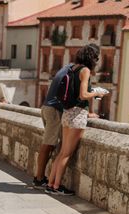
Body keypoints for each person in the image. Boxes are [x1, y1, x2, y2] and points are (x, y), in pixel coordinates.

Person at [46, 44, 107, 195]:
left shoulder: (73, 68)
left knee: (61, 152)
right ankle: (57, 186)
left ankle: (50, 183)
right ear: (91, 58)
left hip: (67, 113)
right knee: (66, 154)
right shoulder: (85, 70)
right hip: (77, 114)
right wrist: (97, 93)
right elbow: (83, 95)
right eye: (96, 58)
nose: (97, 61)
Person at [33, 63, 71, 189]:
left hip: (46, 107)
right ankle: (39, 179)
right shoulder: (73, 72)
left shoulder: (65, 68)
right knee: (47, 145)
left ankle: (40, 178)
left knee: (49, 145)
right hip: (54, 110)